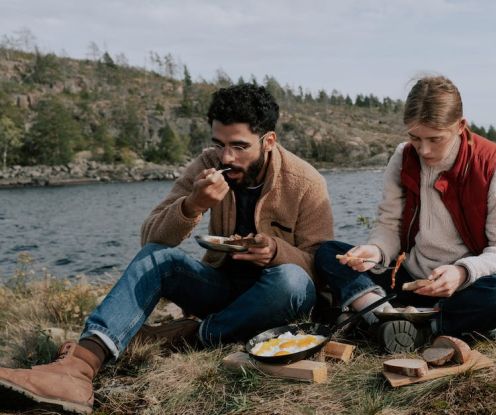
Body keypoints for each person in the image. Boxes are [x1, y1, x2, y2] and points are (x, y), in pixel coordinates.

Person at [0, 84, 333, 414]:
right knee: (157, 259)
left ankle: (191, 335)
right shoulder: (207, 164)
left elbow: (320, 267)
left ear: (269, 140)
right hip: (221, 288)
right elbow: (151, 237)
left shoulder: (305, 182)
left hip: (277, 298)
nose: (226, 158)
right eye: (219, 144)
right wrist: (192, 205)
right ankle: (78, 369)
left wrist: (276, 252)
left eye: (239, 146)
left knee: (290, 279)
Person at [314, 76, 496, 353]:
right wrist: (376, 251)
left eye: (435, 139)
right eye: (415, 138)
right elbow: (389, 225)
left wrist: (462, 272)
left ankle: (411, 326)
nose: (424, 150)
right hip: (411, 280)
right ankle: (383, 316)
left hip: (464, 287)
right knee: (328, 253)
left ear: (460, 126)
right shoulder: (403, 157)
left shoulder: (491, 165)